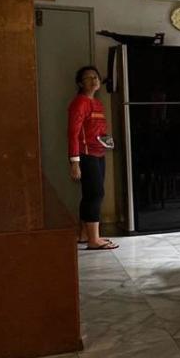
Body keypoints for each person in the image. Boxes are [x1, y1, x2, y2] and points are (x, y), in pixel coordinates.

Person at [68, 66, 118, 250]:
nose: (94, 80)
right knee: (96, 194)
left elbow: (97, 131)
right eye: (88, 78)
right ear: (80, 83)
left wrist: (107, 141)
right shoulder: (79, 103)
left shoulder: (97, 103)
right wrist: (75, 162)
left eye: (95, 77)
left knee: (90, 194)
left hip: (99, 153)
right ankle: (94, 240)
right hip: (86, 155)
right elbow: (73, 134)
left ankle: (84, 234)